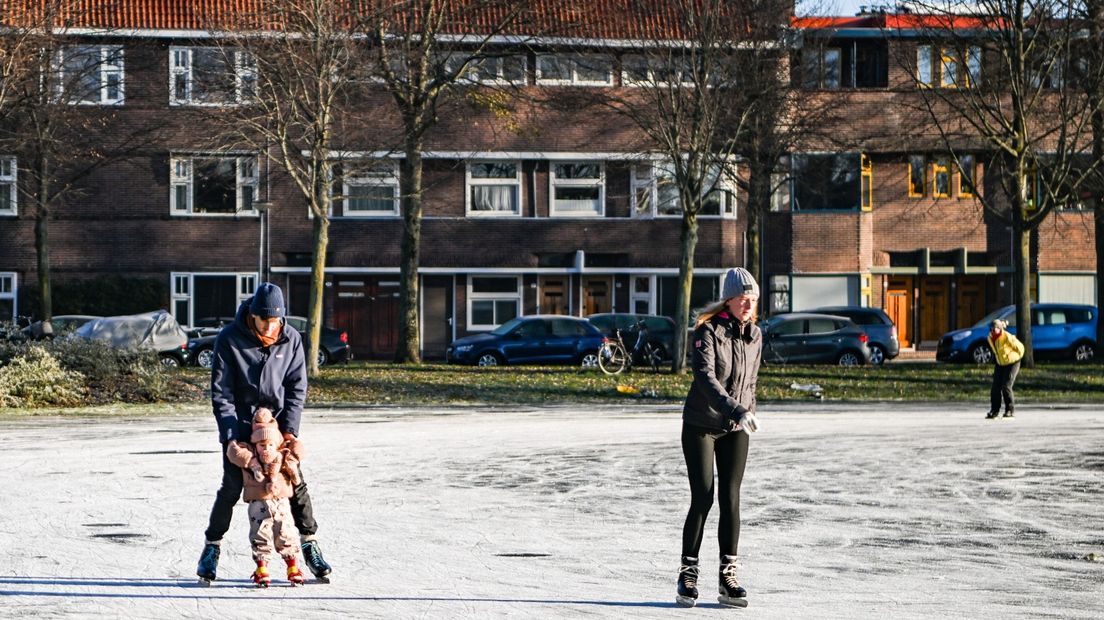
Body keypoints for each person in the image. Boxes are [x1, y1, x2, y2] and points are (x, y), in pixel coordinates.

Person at [196, 282, 333, 585]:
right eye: (265, 321)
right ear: (253, 316)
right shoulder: (229, 340)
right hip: (241, 428)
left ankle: (309, 544)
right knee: (231, 488)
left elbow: (297, 389)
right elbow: (222, 393)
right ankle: (211, 548)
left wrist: (291, 432)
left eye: (276, 321)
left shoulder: (291, 339)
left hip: (278, 431)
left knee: (295, 485)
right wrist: (231, 436)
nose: (271, 327)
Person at [676, 267, 762, 609]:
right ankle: (688, 573)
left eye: (753, 300)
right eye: (744, 298)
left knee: (731, 498)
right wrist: (736, 410)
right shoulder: (707, 331)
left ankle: (729, 577)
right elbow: (706, 380)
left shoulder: (755, 335)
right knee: (704, 497)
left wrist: (749, 410)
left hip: (735, 427)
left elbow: (751, 381)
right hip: (701, 424)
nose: (749, 305)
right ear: (729, 299)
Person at [226, 407, 307, 587]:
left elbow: (299, 448)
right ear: (255, 444)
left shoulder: (283, 454)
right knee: (260, 534)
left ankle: (292, 567)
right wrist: (252, 463)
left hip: (281, 501)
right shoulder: (250, 453)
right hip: (258, 502)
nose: (266, 448)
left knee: (286, 533)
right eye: (262, 445)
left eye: (270, 444)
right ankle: (262, 568)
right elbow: (234, 452)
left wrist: (291, 439)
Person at [986, 318, 1024, 419]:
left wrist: (1016, 357)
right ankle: (994, 410)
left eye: (994, 329)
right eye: (991, 329)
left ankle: (1009, 410)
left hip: (1012, 362)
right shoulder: (990, 337)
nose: (992, 331)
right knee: (995, 387)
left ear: (1000, 329)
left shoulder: (1007, 336)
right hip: (1000, 363)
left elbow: (1021, 348)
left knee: (1006, 386)